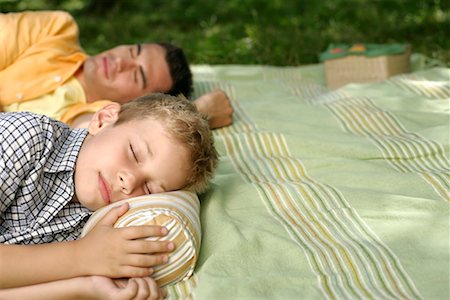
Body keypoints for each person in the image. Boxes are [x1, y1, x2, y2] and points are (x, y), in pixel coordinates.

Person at [0, 93, 218, 299]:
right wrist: (80, 256)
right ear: (103, 119)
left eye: (150, 189)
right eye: (134, 152)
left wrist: (84, 288)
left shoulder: (100, 230)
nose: (129, 181)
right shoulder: (27, 138)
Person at [0, 10, 233, 129]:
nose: (122, 62)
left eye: (136, 75)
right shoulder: (56, 30)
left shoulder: (98, 118)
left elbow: (139, 133)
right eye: (132, 51)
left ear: (138, 101)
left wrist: (197, 112)